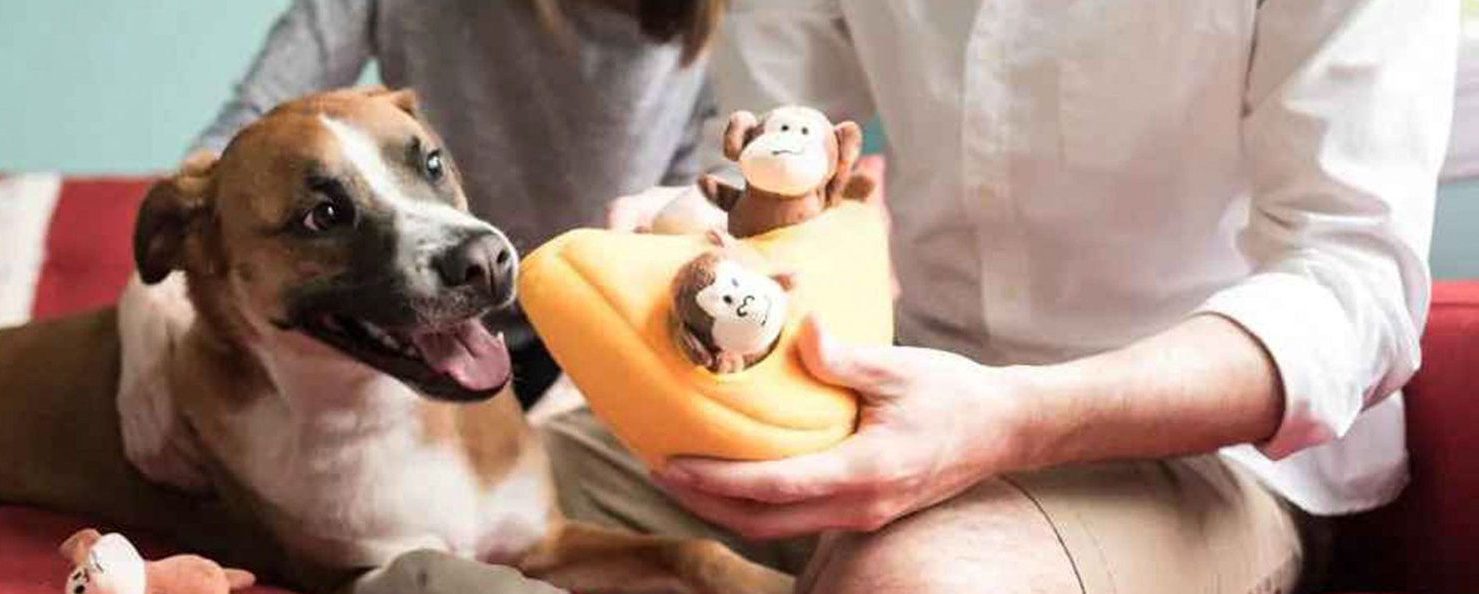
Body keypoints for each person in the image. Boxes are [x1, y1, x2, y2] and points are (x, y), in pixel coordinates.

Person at [568, 1, 1459, 593]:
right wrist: (701, 220)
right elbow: (775, 155)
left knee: (913, 585)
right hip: (879, 394)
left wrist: (1012, 417)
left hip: (1206, 452)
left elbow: (1354, 290)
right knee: (468, 501)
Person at [192, 0, 724, 406]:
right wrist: (159, 312)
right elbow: (245, 136)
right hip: (412, 329)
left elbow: (673, 209)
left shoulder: (699, 33)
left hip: (591, 343)